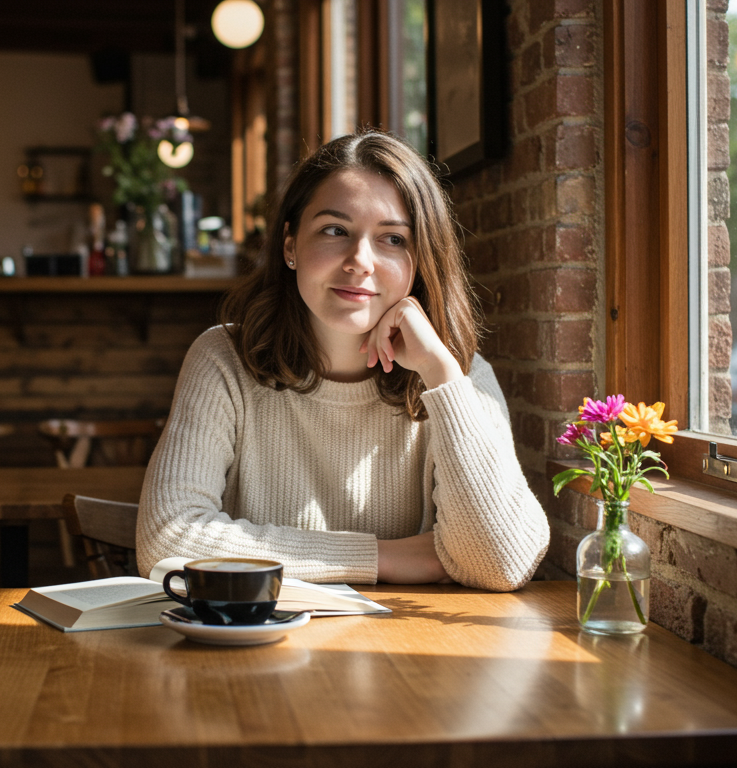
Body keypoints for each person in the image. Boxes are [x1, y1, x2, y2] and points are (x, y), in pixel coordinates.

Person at [136, 130, 549, 589]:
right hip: (256, 632)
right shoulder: (224, 360)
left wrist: (442, 375)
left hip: (405, 635)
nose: (360, 261)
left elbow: (503, 562)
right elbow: (167, 540)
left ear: (421, 260)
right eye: (335, 230)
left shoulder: (458, 376)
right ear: (290, 245)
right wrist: (383, 557)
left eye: (393, 238)